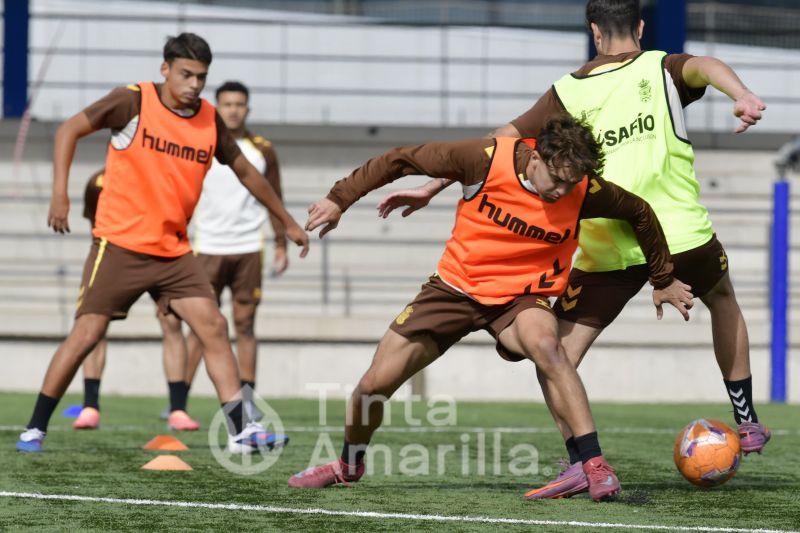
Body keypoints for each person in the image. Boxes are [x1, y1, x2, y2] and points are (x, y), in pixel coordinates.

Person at [376, 0, 770, 499]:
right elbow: (707, 65)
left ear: (593, 32)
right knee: (723, 298)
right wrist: (743, 94)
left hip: (605, 247)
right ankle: (747, 419)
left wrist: (433, 186)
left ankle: (578, 462)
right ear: (642, 26)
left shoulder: (565, 92)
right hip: (678, 235)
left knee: (556, 356)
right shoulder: (663, 67)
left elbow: (499, 141)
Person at [288, 114, 694, 502]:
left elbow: (639, 211)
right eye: (556, 179)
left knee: (547, 346)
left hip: (520, 298)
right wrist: (339, 198)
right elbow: (399, 159)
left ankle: (595, 463)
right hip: (453, 289)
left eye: (571, 184)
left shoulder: (582, 189)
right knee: (373, 386)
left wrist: (662, 278)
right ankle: (348, 465)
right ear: (536, 156)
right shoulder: (483, 159)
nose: (561, 191)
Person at [16, 33, 308, 454]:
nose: (193, 84)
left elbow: (245, 170)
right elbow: (69, 129)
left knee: (213, 325)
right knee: (86, 333)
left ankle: (242, 432)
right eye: (186, 74)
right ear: (165, 69)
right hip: (120, 245)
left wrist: (287, 221)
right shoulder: (132, 101)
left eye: (201, 77)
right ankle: (36, 427)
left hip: (174, 250)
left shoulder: (209, 118)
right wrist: (59, 193)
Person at [162, 80, 288, 425]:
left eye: (240, 104)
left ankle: (246, 401)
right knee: (202, 327)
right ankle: (178, 403)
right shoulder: (198, 143)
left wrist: (280, 242)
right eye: (227, 104)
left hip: (248, 248)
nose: (234, 109)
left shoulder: (263, 149)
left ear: (248, 108)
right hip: (207, 249)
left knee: (245, 325)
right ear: (217, 107)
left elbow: (273, 196)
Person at [72, 170, 201, 432]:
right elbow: (95, 231)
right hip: (117, 260)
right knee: (94, 326)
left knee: (171, 323)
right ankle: (90, 406)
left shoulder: (161, 177)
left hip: (160, 256)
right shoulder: (96, 183)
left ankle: (178, 409)